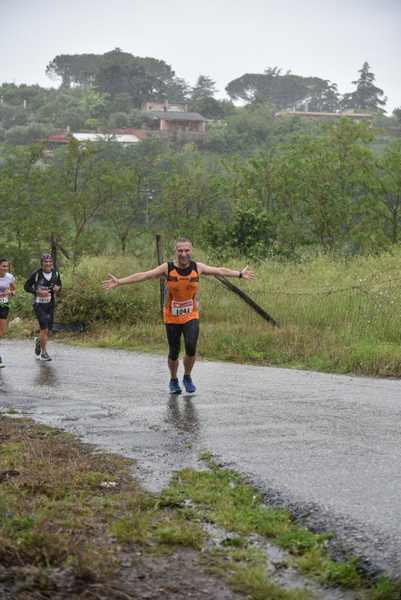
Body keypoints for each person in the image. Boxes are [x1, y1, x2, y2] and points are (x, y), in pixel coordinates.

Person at [102, 238, 254, 394]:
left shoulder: (198, 267)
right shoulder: (167, 268)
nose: (183, 254)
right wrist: (120, 281)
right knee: (174, 351)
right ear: (176, 251)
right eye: (180, 250)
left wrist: (240, 274)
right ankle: (173, 379)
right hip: (171, 316)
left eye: (186, 250)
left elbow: (220, 270)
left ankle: (187, 377)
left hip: (191, 315)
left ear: (191, 251)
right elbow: (144, 275)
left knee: (190, 347)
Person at [24, 254, 62, 362]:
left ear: (52, 263)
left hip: (50, 304)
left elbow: (59, 285)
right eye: (46, 262)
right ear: (42, 263)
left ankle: (38, 341)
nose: (48, 264)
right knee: (44, 328)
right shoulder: (37, 274)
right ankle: (43, 353)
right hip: (38, 304)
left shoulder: (56, 273)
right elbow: (26, 286)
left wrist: (57, 289)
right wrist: (37, 292)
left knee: (47, 330)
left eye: (50, 262)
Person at [0, 258, 17, 368]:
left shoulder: (10, 277)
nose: (5, 268)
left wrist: (10, 292)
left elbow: (14, 291)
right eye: (3, 266)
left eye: (7, 266)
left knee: (2, 331)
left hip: (4, 305)